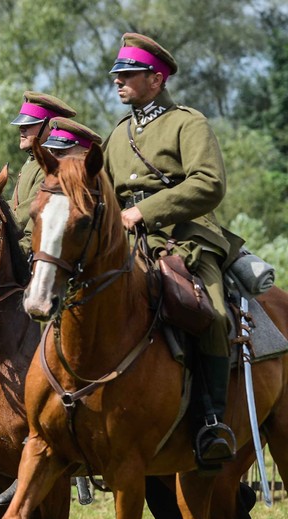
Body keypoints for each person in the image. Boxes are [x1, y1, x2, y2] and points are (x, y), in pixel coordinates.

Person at [101, 32, 235, 468]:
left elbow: (208, 183)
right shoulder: (117, 135)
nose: (118, 81)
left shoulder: (187, 123)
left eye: (128, 74)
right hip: (124, 244)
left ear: (156, 79)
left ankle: (212, 420)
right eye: (116, 74)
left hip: (185, 240)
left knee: (208, 312)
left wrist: (145, 211)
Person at [8, 91, 77, 254]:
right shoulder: (31, 163)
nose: (21, 129)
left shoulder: (50, 165)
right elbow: (15, 206)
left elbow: (25, 216)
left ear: (51, 126)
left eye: (30, 124)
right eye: (21, 124)